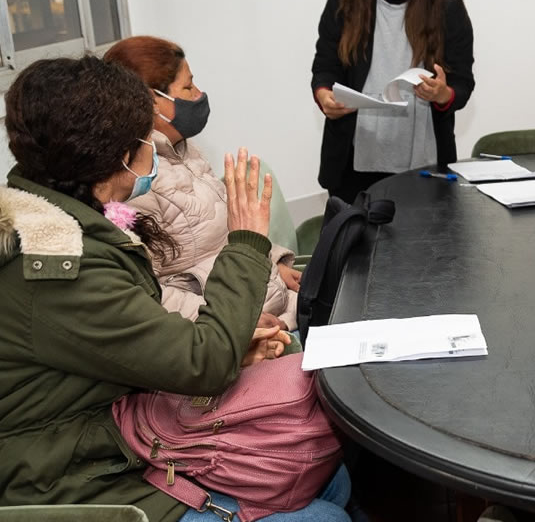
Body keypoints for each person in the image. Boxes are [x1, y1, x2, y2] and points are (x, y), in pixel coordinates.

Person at [0, 56, 350, 520]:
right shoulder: (59, 268)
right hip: (77, 477)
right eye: (148, 137)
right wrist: (246, 240)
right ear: (123, 156)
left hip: (120, 429)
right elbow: (201, 363)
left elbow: (128, 341)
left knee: (333, 472)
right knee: (325, 517)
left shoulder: (64, 221)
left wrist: (231, 344)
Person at [104, 36, 301, 331]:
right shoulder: (134, 183)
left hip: (268, 301)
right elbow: (151, 293)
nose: (198, 95)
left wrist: (277, 265)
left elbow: (229, 231)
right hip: (238, 326)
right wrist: (230, 324)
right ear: (150, 100)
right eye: (187, 87)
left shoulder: (185, 151)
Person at [311, 0, 475, 202]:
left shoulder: (448, 6)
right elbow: (324, 67)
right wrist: (324, 97)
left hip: (424, 164)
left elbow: (462, 83)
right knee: (356, 246)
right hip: (353, 163)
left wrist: (442, 94)